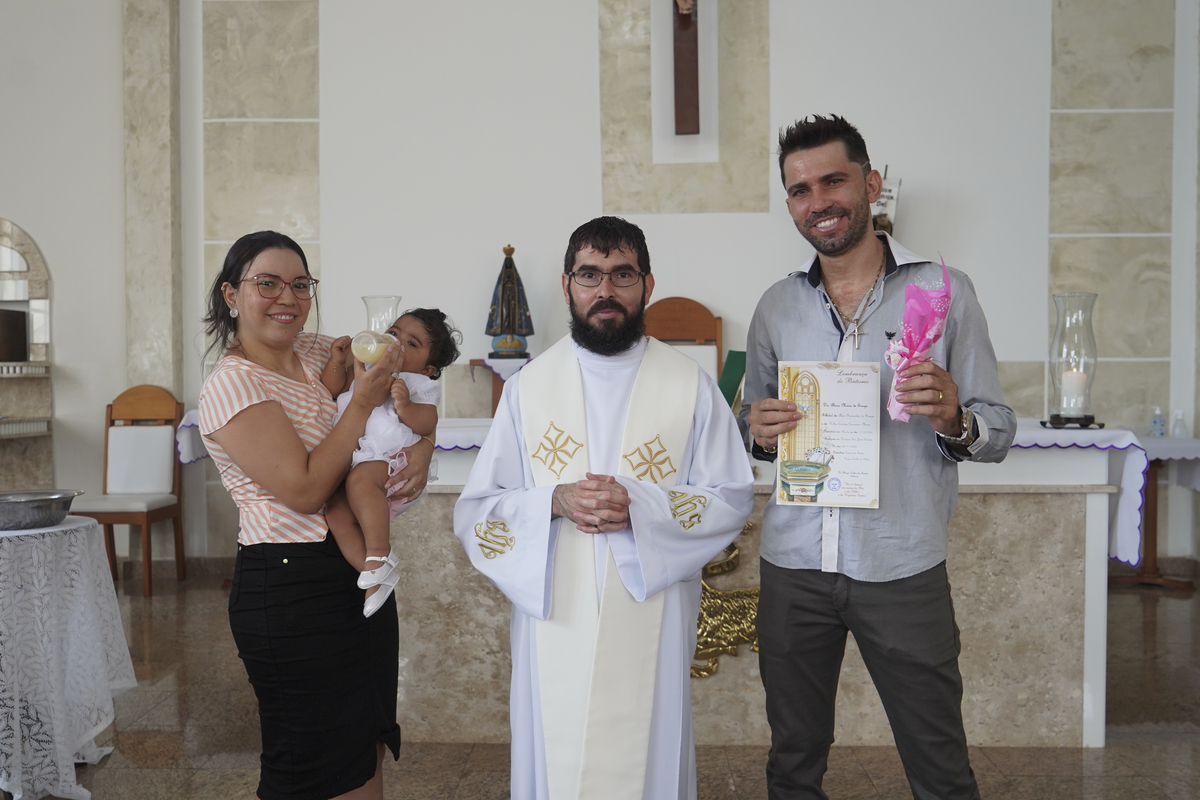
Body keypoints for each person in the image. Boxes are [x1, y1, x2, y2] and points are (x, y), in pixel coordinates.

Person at [744, 116, 1016, 799]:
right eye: (800, 190)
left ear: (870, 184)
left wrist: (954, 415)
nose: (818, 201)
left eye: (833, 181)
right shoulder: (776, 306)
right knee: (792, 760)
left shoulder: (945, 294)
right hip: (795, 566)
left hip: (901, 564)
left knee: (938, 764)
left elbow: (999, 429)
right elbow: (753, 429)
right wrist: (759, 431)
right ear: (790, 203)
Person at [454, 216, 755, 800]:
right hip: (555, 610)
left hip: (652, 605)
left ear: (647, 284)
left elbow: (729, 495)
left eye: (622, 275)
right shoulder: (528, 388)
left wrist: (640, 505)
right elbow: (480, 511)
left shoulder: (689, 384)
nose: (606, 290)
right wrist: (554, 500)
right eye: (590, 275)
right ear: (568, 285)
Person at [198, 230, 434, 800]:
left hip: (356, 576)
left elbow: (402, 389)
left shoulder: (317, 350)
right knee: (311, 765)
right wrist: (361, 402)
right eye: (267, 283)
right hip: (290, 587)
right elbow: (304, 490)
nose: (287, 297)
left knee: (363, 743)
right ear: (231, 295)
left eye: (300, 284)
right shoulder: (232, 385)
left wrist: (424, 450)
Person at [322, 309, 461, 617]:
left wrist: (406, 405)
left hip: (390, 457)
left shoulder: (416, 383)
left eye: (411, 344)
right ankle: (376, 576)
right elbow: (332, 389)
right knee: (336, 512)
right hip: (359, 456)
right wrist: (337, 361)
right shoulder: (366, 368)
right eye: (394, 333)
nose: (397, 343)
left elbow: (427, 422)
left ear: (427, 368)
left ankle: (378, 553)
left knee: (360, 483)